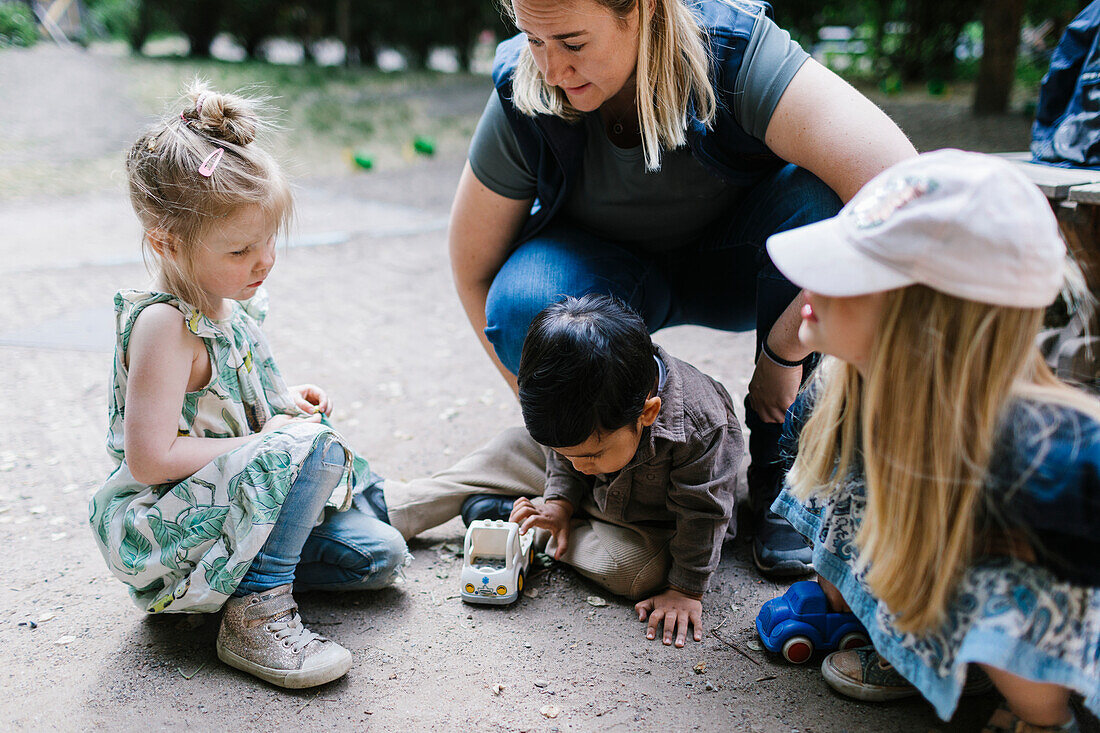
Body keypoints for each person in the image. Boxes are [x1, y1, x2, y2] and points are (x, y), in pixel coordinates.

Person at [447, 0, 918, 576]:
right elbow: (473, 269)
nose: (551, 71)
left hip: (745, 265)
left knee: (821, 200)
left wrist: (785, 349)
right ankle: (604, 474)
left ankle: (790, 460)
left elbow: (901, 195)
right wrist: (560, 423)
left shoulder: (735, 52)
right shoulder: (527, 86)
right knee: (524, 302)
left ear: (642, 10)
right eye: (534, 41)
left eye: (572, 44)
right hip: (601, 282)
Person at [759, 150, 1100, 732]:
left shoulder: (1042, 461)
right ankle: (892, 630)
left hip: (1064, 586)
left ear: (925, 319)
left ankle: (1041, 716)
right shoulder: (846, 393)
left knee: (1004, 576)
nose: (810, 283)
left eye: (850, 271)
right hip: (957, 527)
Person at [88, 82, 408, 690]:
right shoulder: (165, 325)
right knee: (310, 451)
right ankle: (254, 614)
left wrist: (288, 406)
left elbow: (240, 405)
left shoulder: (231, 308)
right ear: (167, 242)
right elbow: (151, 458)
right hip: (171, 521)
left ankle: (254, 567)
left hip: (235, 502)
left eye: (268, 242)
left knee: (380, 555)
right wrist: (275, 447)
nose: (264, 262)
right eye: (240, 250)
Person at [384, 294, 743, 647]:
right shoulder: (580, 425)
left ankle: (528, 530)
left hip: (648, 523)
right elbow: (567, 455)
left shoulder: (702, 428)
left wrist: (684, 591)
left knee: (638, 572)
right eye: (566, 453)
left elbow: (703, 515)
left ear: (647, 413)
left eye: (591, 453)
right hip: (587, 492)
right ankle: (393, 505)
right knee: (511, 448)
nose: (577, 465)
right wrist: (558, 502)